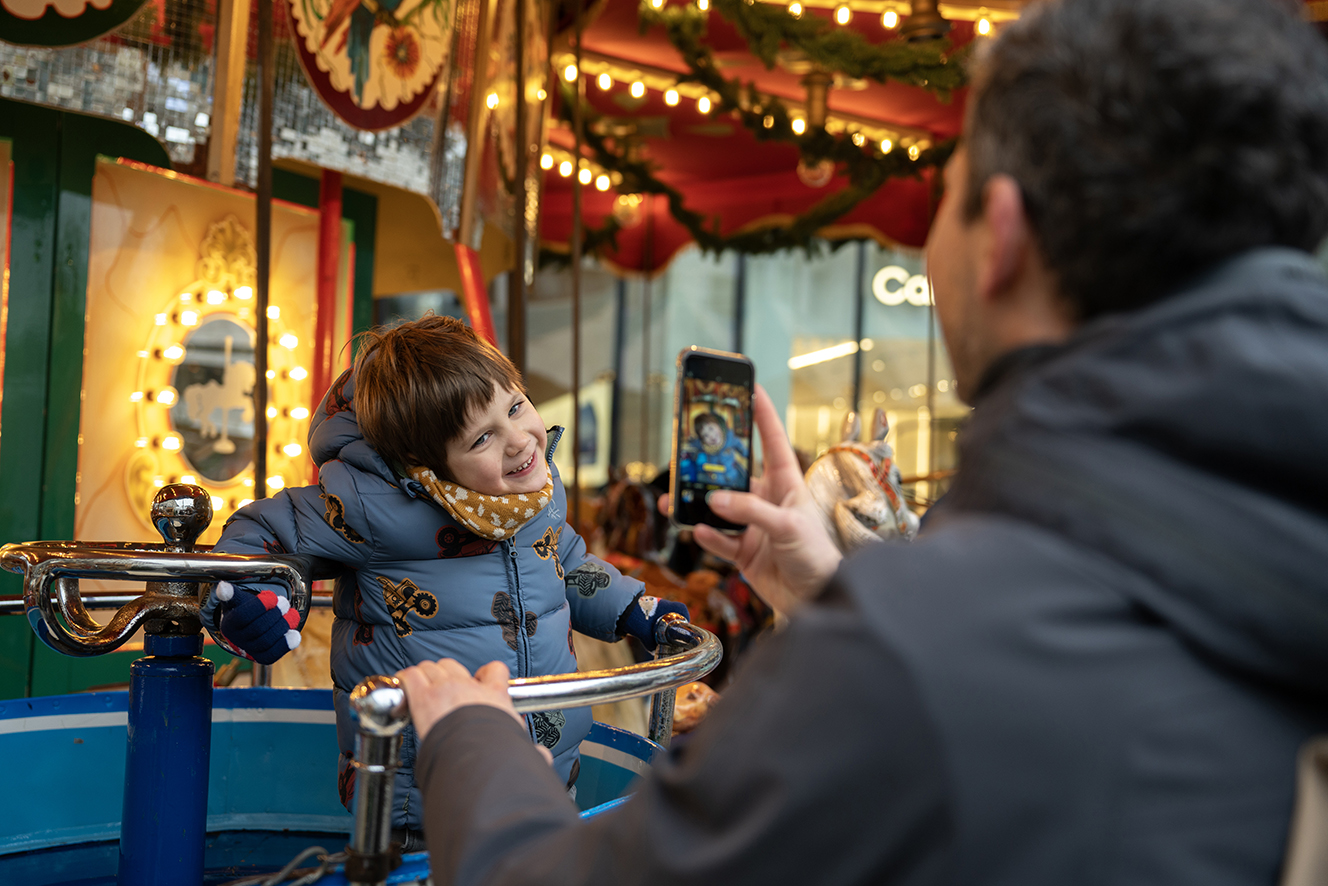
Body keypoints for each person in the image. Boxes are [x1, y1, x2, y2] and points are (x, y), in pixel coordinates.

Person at [399, 0, 1328, 882]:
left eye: (946, 196)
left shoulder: (918, 649)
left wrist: (471, 741)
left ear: (999, 235)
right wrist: (833, 594)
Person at [200, 315, 686, 845]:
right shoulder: (370, 505)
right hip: (424, 795)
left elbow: (564, 557)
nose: (520, 440)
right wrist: (251, 598)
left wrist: (630, 608)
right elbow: (261, 529)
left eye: (516, 406)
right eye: (482, 437)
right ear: (422, 463)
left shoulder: (533, 491)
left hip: (543, 768)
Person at [677, 411, 750, 488]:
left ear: (718, 425)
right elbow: (691, 444)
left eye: (711, 429)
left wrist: (748, 455)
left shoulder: (729, 437)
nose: (711, 436)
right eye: (705, 435)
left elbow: (742, 450)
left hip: (733, 478)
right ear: (702, 440)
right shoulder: (703, 446)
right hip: (715, 482)